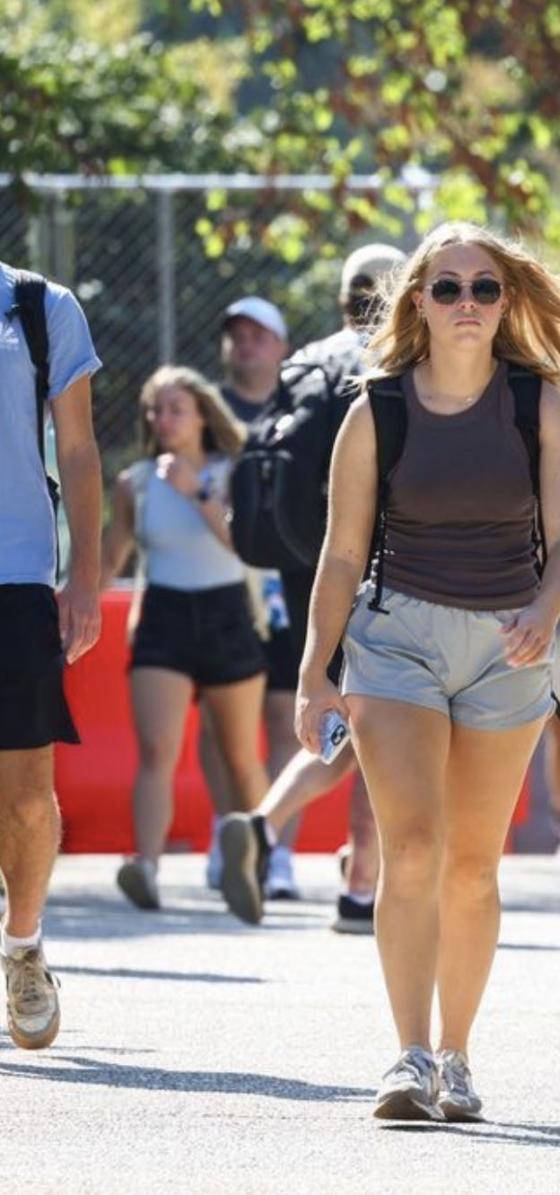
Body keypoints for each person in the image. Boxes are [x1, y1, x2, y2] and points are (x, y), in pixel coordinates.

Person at [294, 221, 560, 1120]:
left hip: (507, 642)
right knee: (416, 847)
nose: (466, 303)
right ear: (417, 304)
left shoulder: (538, 404)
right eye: (446, 288)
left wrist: (545, 611)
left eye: (483, 288)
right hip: (395, 639)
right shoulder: (377, 410)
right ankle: (407, 1055)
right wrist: (315, 671)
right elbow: (339, 553)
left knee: (474, 864)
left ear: (507, 301)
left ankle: (459, 1056)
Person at [217, 244, 405, 932]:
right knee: (380, 720)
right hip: (385, 565)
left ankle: (273, 832)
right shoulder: (398, 361)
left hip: (308, 566)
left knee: (346, 714)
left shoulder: (307, 361)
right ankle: (354, 883)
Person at [101, 367, 269, 911]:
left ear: (201, 413)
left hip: (227, 614)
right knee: (156, 750)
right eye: (155, 409)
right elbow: (111, 558)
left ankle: (256, 862)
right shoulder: (135, 482)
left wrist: (195, 491)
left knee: (240, 756)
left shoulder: (232, 470)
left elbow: (245, 543)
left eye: (175, 408)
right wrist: (74, 600)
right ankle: (145, 866)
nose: (163, 420)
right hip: (164, 617)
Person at [0, 261, 103, 1049]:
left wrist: (86, 576)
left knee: (27, 801)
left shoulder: (39, 306)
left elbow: (77, 447)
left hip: (18, 578)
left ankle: (23, 944)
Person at [203, 297, 296, 895]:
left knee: (287, 718)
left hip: (287, 583)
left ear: (281, 346)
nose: (246, 344)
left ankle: (277, 852)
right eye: (236, 334)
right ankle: (225, 833)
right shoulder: (204, 412)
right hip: (219, 587)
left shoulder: (301, 406)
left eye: (259, 335)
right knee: (220, 724)